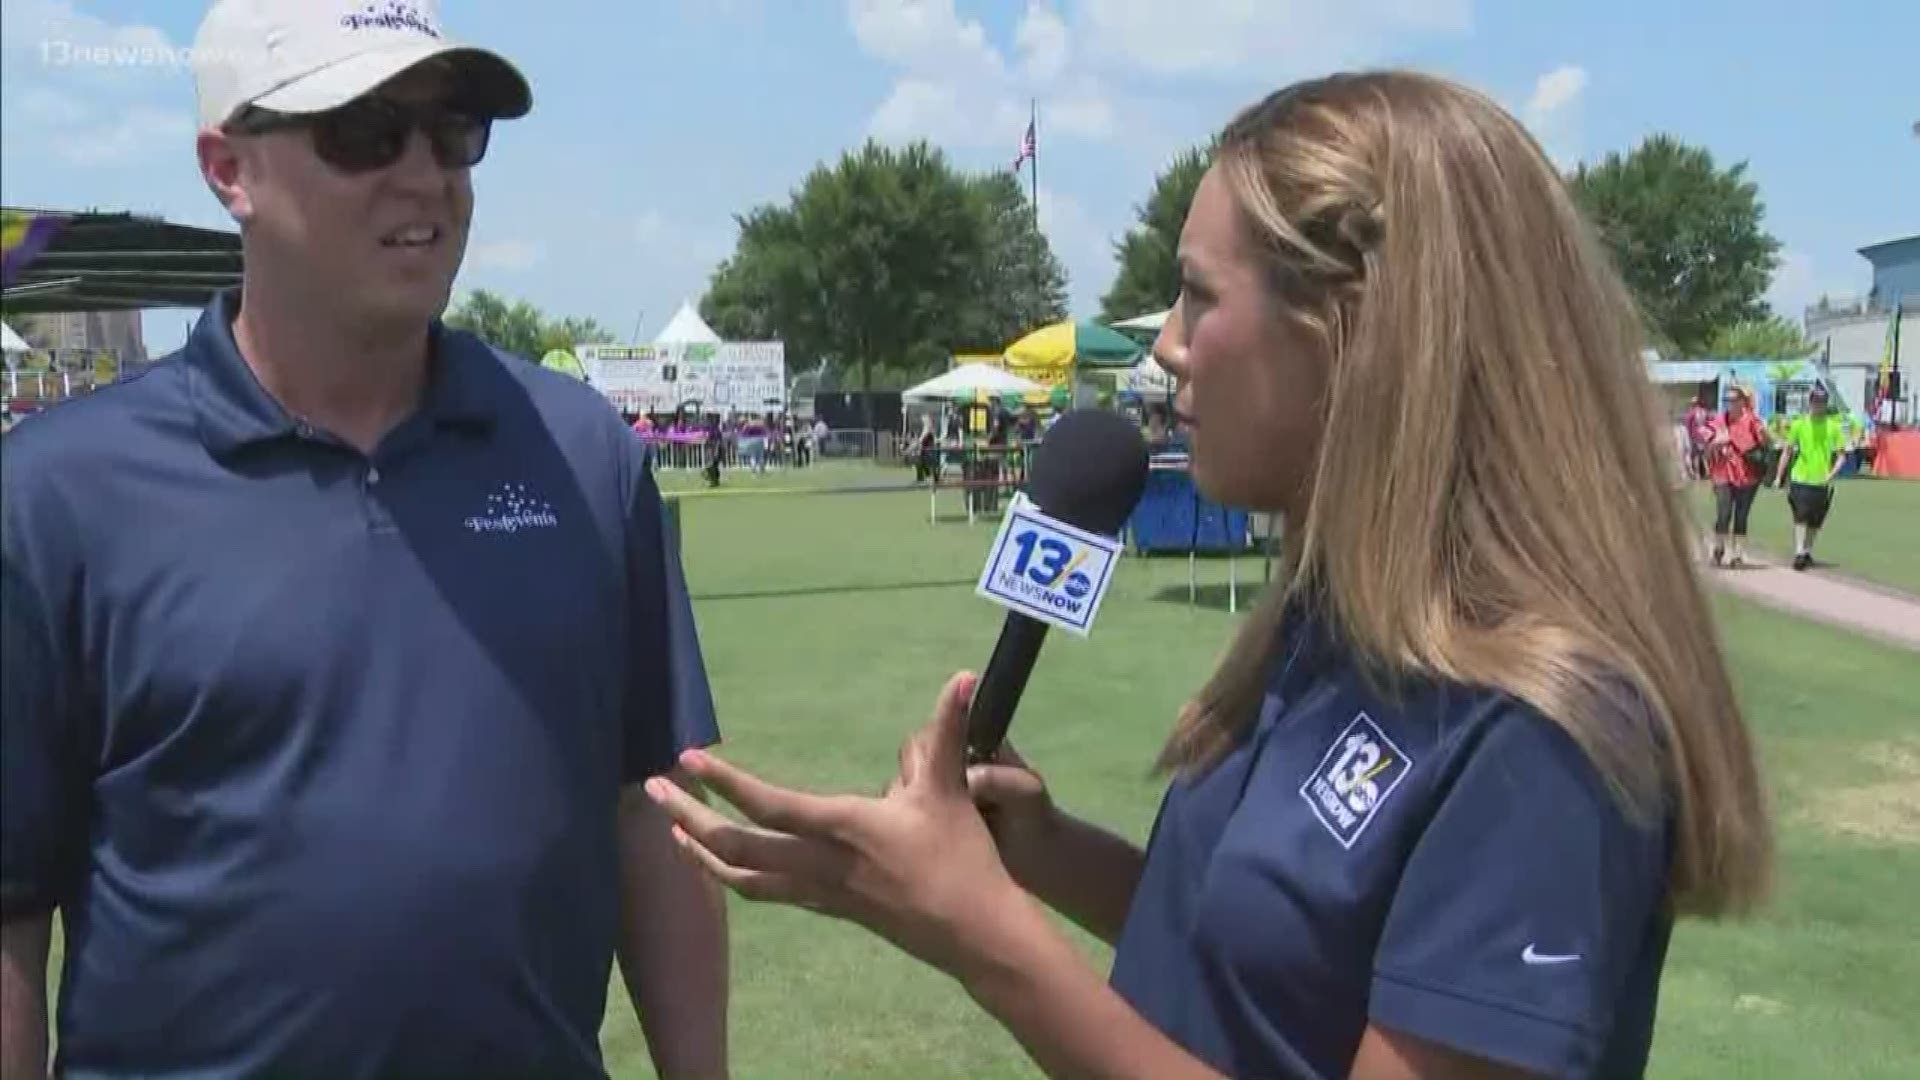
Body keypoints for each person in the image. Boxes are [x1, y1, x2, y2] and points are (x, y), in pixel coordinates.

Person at [645, 70, 1772, 1080]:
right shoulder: (1331, 628)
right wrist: (1046, 856)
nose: (1166, 347)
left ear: (1356, 331)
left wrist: (985, 938)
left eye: (1198, 296)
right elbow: (1277, 977)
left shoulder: (1545, 739)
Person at [0, 3, 727, 1077]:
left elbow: (649, 815)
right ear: (227, 169)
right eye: (364, 132)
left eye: (452, 130)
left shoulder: (584, 457)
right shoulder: (55, 492)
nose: (425, 174)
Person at [1773, 384, 1848, 571]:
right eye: (1815, 402)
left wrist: (1831, 473)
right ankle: (1799, 552)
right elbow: (1787, 451)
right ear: (1810, 403)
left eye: (1821, 402)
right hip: (1800, 477)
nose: (1818, 406)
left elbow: (1841, 455)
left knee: (1816, 520)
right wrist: (1778, 475)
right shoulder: (1799, 424)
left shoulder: (1833, 427)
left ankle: (1807, 551)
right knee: (1801, 516)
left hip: (1821, 479)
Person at [1705, 384, 1771, 567]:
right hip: (1723, 473)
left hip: (1747, 474)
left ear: (1742, 402)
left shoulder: (1752, 421)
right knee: (1723, 513)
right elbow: (1707, 449)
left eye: (1733, 400)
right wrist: (1717, 443)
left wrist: (1765, 434)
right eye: (1726, 400)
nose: (1729, 404)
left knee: (1742, 515)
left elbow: (1766, 442)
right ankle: (1718, 548)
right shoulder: (1719, 421)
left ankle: (1738, 555)